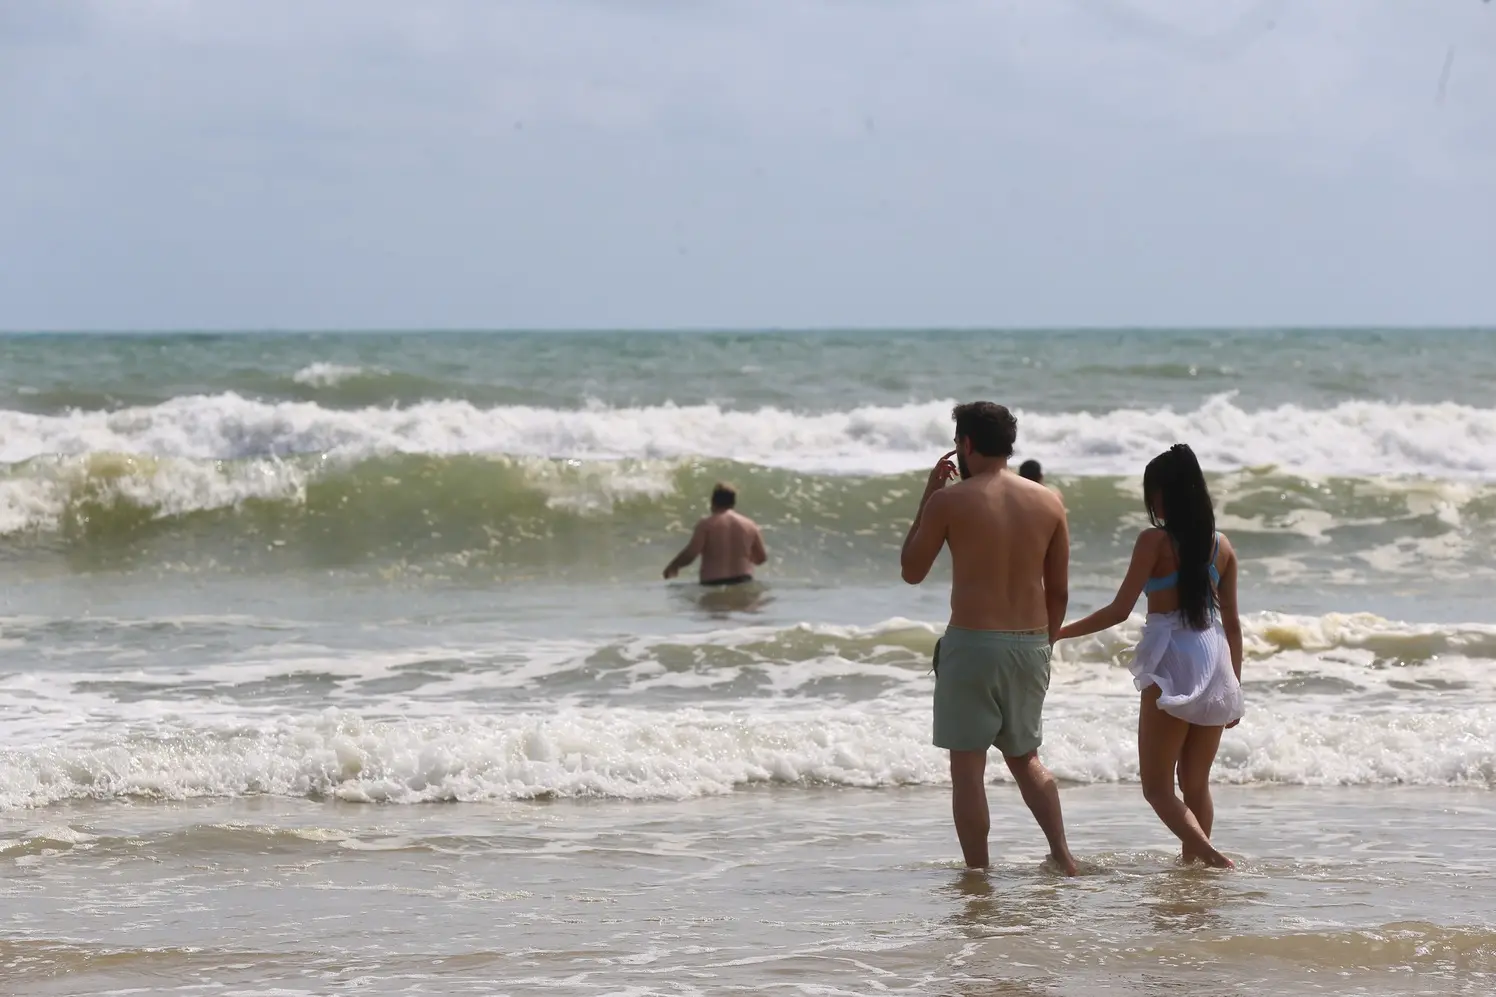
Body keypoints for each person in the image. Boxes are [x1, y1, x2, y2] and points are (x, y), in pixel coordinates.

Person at [900, 402, 1076, 875]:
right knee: (1026, 758)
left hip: (973, 645)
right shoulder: (1049, 501)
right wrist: (1045, 643)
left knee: (967, 771)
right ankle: (1062, 855)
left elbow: (912, 571)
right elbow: (1058, 590)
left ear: (966, 445)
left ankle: (979, 873)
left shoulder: (950, 501)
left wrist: (928, 496)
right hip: (1031, 644)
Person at [1056, 443, 1243, 869]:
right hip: (1216, 660)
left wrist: (1059, 633)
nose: (1151, 502)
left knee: (1156, 788)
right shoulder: (1223, 547)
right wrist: (1235, 688)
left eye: (1153, 492)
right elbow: (1233, 625)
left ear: (1166, 493)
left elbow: (1119, 609)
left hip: (1173, 657)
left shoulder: (1154, 541)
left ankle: (1208, 854)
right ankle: (1193, 866)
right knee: (1195, 783)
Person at [662, 482, 767, 585]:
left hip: (713, 582)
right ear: (733, 502)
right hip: (743, 581)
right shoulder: (749, 525)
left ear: (713, 502)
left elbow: (691, 553)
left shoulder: (706, 524)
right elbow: (761, 558)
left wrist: (674, 566)